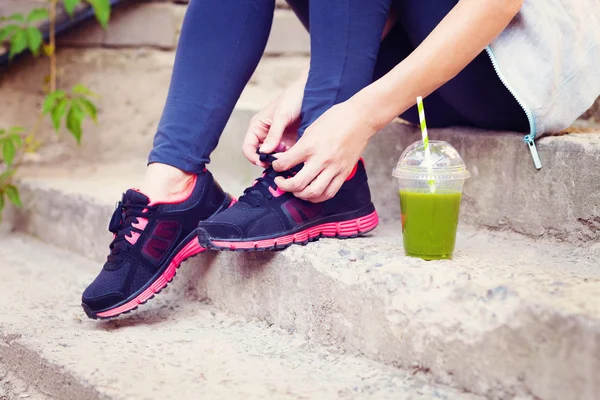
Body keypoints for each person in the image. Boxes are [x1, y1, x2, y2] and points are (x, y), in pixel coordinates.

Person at [81, 0, 600, 319]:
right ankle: (172, 188)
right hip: (424, 58)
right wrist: (313, 86)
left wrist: (359, 115)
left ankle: (330, 183)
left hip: (512, 69)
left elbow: (496, 5)